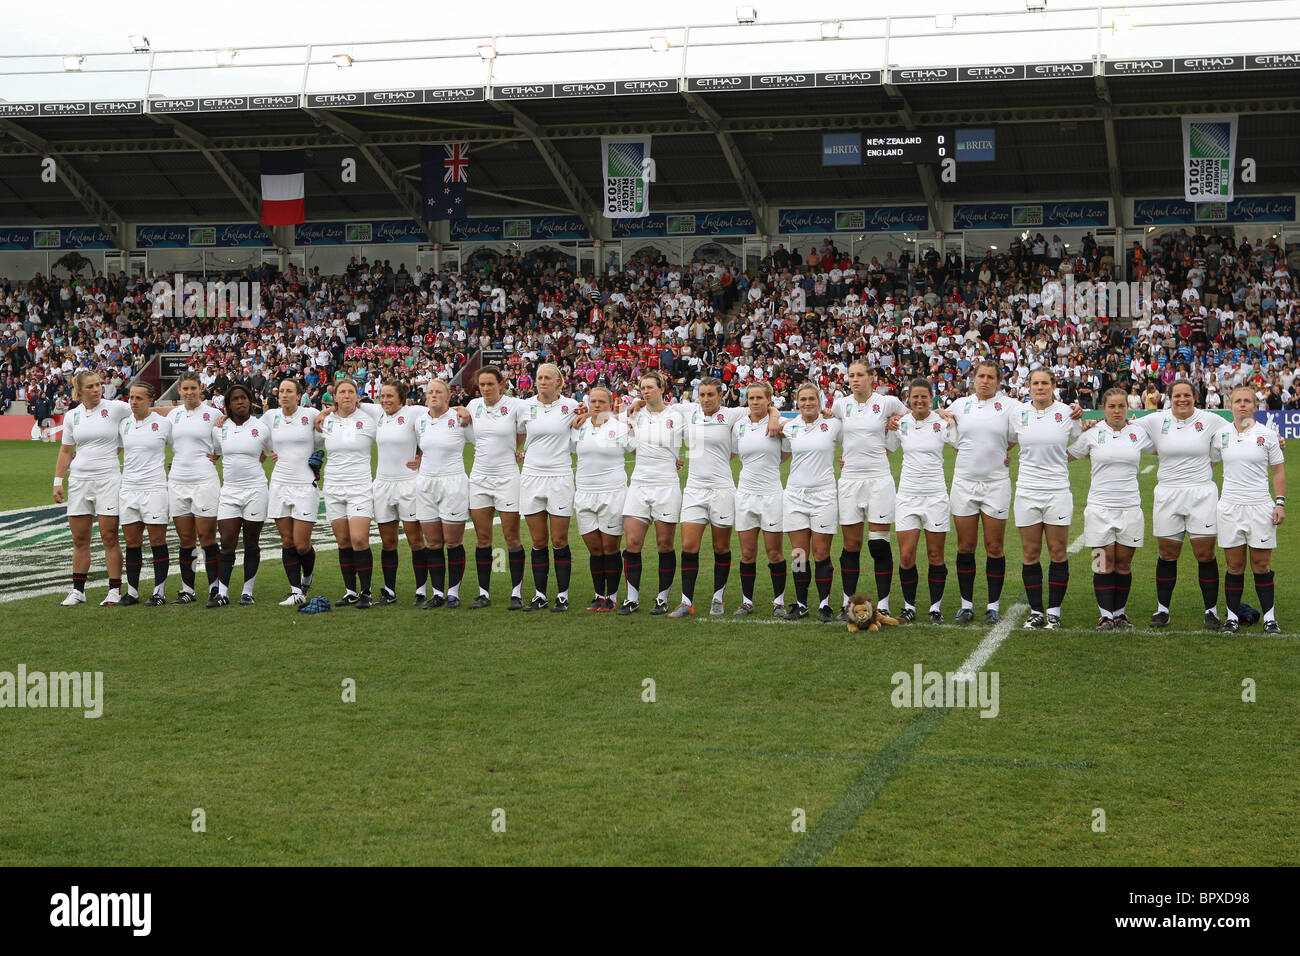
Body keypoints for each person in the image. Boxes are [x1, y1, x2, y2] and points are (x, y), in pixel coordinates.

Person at [669, 376, 779, 618]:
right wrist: (635, 405)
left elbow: (764, 404)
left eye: (711, 395)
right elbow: (655, 403)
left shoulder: (733, 415)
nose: (706, 399)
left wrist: (773, 417)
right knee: (688, 546)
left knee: (721, 547)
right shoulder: (688, 411)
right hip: (694, 490)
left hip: (722, 489)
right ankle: (686, 602)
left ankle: (717, 598)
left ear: (721, 396)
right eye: (703, 394)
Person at [1133, 380, 1229, 631]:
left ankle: (1211, 611)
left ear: (1195, 396)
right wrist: (1090, 423)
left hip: (1201, 494)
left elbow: (1236, 435)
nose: (1182, 399)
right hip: (1167, 494)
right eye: (1177, 395)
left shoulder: (1211, 420)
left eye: (1187, 395)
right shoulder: (1155, 420)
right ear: (1170, 397)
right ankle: (1162, 610)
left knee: (1205, 554)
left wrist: (1275, 440)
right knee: (1167, 554)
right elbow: (1122, 425)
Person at [938, 360, 1020, 624]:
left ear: (998, 381)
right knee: (965, 546)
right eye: (981, 376)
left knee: (994, 547)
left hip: (996, 484)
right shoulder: (961, 405)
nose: (985, 381)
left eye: (990, 377)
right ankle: (966, 605)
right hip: (964, 484)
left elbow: (1020, 434)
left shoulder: (1011, 406)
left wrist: (1004, 452)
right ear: (973, 379)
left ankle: (993, 606)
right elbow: (939, 420)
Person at [1069, 387, 1154, 630]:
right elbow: (1066, 455)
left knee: (1124, 563)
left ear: (1128, 408)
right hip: (1099, 508)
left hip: (1130, 508)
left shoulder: (1138, 432)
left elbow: (1166, 449)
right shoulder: (1093, 432)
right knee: (1102, 562)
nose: (1117, 411)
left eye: (1121, 406)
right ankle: (1105, 615)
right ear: (1103, 409)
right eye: (1111, 406)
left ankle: (1120, 614)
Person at [831, 362, 907, 619]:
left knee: (878, 545)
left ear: (872, 378)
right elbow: (833, 431)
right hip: (850, 479)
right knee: (851, 545)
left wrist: (895, 424)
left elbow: (909, 419)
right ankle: (848, 603)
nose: (855, 380)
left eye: (860, 375)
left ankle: (883, 604)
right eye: (851, 375)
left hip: (878, 478)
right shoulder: (841, 404)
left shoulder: (888, 402)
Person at [1010, 368, 1082, 629]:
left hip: (1057, 492)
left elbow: (1081, 440)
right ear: (1028, 386)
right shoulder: (1017, 414)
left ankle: (1054, 611)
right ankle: (1036, 611)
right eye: (1035, 383)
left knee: (1057, 552)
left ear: (1053, 386)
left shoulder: (1067, 414)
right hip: (1027, 491)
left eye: (1045, 383)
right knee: (1030, 553)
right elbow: (1006, 441)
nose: (1040, 387)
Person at [1211, 386, 1285, 634]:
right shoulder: (1220, 435)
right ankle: (1232, 618)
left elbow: (1278, 470)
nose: (1242, 405)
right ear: (1230, 405)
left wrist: (1280, 502)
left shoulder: (1268, 435)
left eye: (1247, 401)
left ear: (1255, 406)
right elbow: (1206, 461)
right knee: (1234, 566)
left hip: (1260, 507)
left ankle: (1270, 619)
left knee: (1261, 565)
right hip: (1230, 507)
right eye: (1237, 401)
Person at [54, 370, 130, 606]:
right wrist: (58, 481)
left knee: (109, 536)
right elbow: (66, 451)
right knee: (79, 539)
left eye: (98, 385)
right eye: (90, 386)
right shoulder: (72, 416)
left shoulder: (117, 408)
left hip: (108, 479)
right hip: (79, 481)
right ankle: (78, 590)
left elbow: (147, 411)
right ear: (79, 391)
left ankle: (114, 590)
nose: (97, 389)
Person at [618, 371, 687, 616]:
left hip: (667, 484)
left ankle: (662, 598)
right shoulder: (634, 413)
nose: (645, 391)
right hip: (638, 484)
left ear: (662, 388)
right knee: (633, 543)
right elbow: (613, 428)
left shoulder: (678, 414)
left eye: (649, 387)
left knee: (664, 544)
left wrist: (676, 459)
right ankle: (631, 599)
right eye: (642, 388)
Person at [886, 379, 954, 624]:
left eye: (924, 396)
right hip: (907, 497)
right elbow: (884, 450)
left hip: (935, 496)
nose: (919, 401)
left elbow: (964, 446)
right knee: (906, 556)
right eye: (915, 397)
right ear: (909, 398)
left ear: (931, 397)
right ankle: (909, 606)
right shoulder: (900, 424)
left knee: (936, 555)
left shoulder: (943, 422)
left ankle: (935, 608)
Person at [517, 364, 580, 612]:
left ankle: (562, 595)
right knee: (538, 540)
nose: (542, 381)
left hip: (560, 476)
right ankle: (540, 595)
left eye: (548, 378)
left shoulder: (573, 406)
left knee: (559, 539)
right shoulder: (524, 407)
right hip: (531, 476)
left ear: (559, 383)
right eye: (539, 378)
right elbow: (517, 432)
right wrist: (517, 449)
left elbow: (595, 416)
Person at [464, 367, 527, 610]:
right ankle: (483, 594)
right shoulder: (473, 406)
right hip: (479, 477)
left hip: (507, 477)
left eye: (491, 383)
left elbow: (524, 431)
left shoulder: (516, 406)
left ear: (501, 384)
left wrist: (517, 449)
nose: (486, 388)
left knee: (512, 537)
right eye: (482, 384)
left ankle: (516, 593)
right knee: (482, 538)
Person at [781, 382, 842, 622]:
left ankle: (825, 604)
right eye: (803, 399)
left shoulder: (833, 424)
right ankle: (801, 603)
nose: (807, 403)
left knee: (821, 553)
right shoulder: (790, 426)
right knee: (798, 554)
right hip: (795, 495)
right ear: (797, 402)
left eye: (812, 399)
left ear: (820, 401)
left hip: (824, 495)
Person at [318, 378, 381, 608]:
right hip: (333, 487)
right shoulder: (326, 421)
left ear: (357, 395)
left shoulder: (369, 418)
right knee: (343, 541)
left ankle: (366, 592)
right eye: (342, 392)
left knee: (359, 539)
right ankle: (350, 591)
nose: (346, 396)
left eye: (351, 392)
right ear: (334, 397)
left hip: (360, 487)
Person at [571, 386, 634, 611]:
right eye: (593, 401)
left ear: (610, 404)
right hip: (585, 493)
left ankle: (612, 596)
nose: (597, 405)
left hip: (613, 493)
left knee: (610, 547)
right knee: (594, 548)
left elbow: (640, 450)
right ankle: (598, 595)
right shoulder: (579, 426)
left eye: (602, 402)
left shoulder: (620, 427)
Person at [731, 381, 790, 617]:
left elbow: (785, 454)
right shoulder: (740, 426)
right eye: (751, 398)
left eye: (759, 398)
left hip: (771, 495)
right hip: (745, 495)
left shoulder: (779, 423)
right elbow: (737, 454)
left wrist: (775, 416)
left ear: (769, 400)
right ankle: (747, 602)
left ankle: (779, 602)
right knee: (747, 554)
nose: (754, 402)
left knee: (774, 553)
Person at [210, 384, 271, 607]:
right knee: (227, 541)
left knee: (251, 542)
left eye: (244, 397)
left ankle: (247, 591)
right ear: (228, 404)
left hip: (255, 489)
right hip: (230, 490)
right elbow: (215, 452)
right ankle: (223, 593)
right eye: (235, 399)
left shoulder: (262, 426)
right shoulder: (219, 428)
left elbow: (273, 451)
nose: (240, 402)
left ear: (250, 400)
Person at [264, 378, 323, 607]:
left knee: (301, 544)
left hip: (304, 484)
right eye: (281, 391)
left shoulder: (310, 414)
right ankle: (296, 590)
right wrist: (269, 452)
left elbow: (324, 434)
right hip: (279, 483)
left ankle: (307, 577)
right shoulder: (270, 417)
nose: (284, 395)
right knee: (287, 540)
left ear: (299, 396)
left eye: (289, 391)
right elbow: (255, 434)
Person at [414, 379, 472, 609]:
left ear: (448, 397)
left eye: (439, 392)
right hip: (426, 483)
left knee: (452, 541)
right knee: (433, 542)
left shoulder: (460, 419)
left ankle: (453, 593)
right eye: (430, 392)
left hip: (453, 482)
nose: (434, 395)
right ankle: (437, 593)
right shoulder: (419, 420)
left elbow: (485, 440)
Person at [166, 370, 222, 604]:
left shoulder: (214, 414)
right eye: (185, 389)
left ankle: (215, 588)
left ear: (201, 388)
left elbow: (223, 442)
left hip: (204, 480)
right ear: (179, 390)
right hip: (178, 480)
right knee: (186, 539)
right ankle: (187, 589)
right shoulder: (173, 416)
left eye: (193, 388)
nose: (189, 392)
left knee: (207, 537)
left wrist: (216, 455)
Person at [372, 380, 427, 605]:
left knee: (416, 540)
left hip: (408, 484)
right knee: (388, 542)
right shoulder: (377, 413)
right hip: (383, 485)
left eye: (390, 396)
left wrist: (422, 456)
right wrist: (325, 410)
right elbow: (346, 402)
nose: (385, 400)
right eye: (382, 396)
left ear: (401, 398)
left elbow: (440, 412)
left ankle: (421, 590)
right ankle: (389, 591)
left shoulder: (414, 412)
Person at [117, 381, 172, 606]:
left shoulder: (164, 424)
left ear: (150, 400)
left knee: (157, 540)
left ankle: (159, 592)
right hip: (129, 488)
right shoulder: (123, 425)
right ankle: (132, 592)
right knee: (132, 542)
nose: (133, 402)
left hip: (155, 489)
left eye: (139, 398)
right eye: (131, 397)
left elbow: (183, 446)